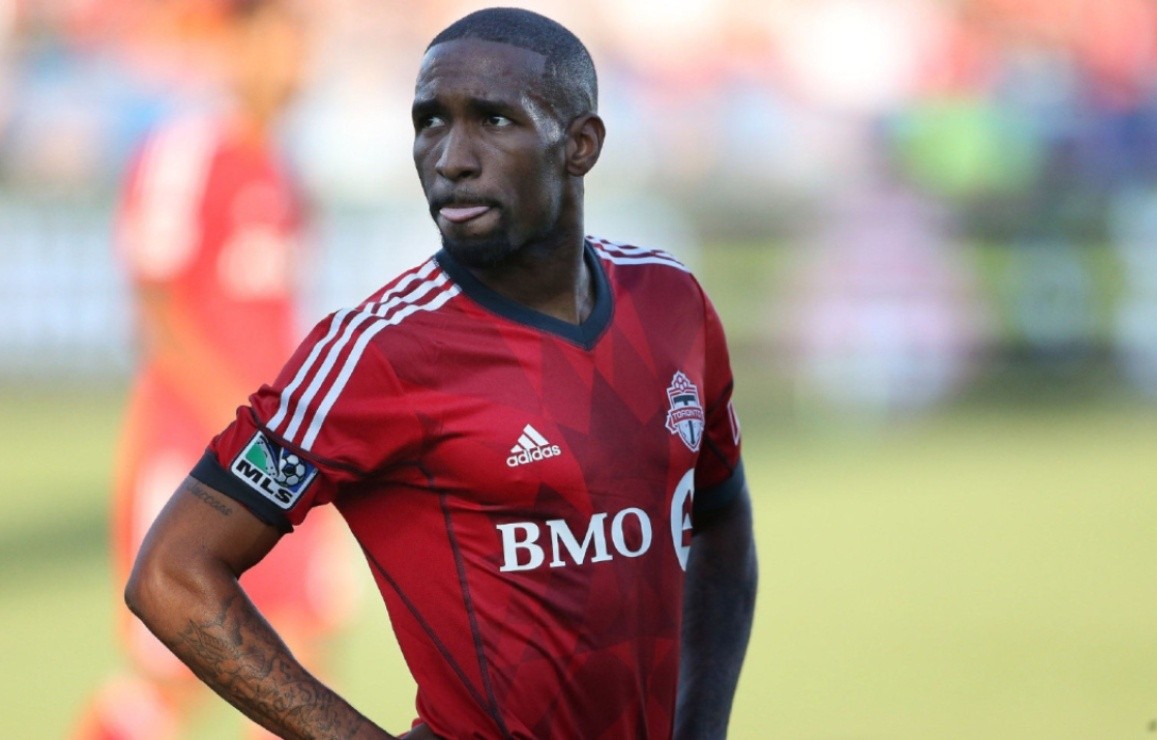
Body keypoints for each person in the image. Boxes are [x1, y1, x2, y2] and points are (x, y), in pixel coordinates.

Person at [124, 7, 758, 739]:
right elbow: (173, 574)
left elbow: (721, 514)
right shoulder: (375, 352)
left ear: (580, 145)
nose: (451, 155)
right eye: (430, 121)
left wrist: (700, 724)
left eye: (492, 120)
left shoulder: (670, 302)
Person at [75, 2, 355, 738]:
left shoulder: (282, 166)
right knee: (169, 676)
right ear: (239, 44)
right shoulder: (188, 149)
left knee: (303, 661)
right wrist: (227, 422)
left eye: (303, 45)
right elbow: (156, 302)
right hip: (198, 447)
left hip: (277, 452)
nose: (295, 61)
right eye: (281, 41)